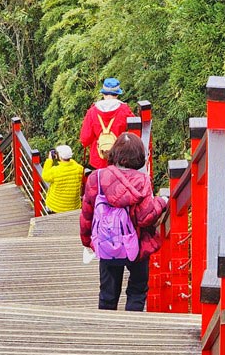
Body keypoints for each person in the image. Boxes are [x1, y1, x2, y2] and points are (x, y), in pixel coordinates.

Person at [79, 133, 168, 311]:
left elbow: (87, 212)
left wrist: (87, 240)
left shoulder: (96, 177)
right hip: (136, 242)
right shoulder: (142, 181)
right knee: (137, 289)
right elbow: (144, 218)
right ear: (139, 156)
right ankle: (132, 327)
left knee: (107, 292)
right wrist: (162, 201)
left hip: (106, 241)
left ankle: (105, 328)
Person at [79, 77, 135, 170]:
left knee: (100, 182)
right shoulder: (124, 110)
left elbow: (85, 138)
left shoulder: (92, 111)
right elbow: (133, 133)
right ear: (117, 94)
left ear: (103, 93)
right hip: (119, 157)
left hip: (98, 158)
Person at [41, 144, 84, 214]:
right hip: (73, 206)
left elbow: (45, 175)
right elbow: (73, 163)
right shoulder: (79, 168)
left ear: (59, 156)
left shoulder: (55, 171)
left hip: (56, 207)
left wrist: (49, 160)